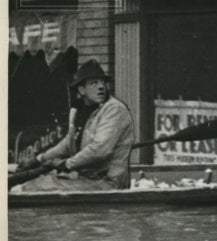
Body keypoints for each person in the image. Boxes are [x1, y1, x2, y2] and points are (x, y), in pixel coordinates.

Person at [17, 60, 135, 192]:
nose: (101, 87)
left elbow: (99, 150)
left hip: (107, 184)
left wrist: (66, 164)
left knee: (33, 187)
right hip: (84, 179)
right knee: (32, 183)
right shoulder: (78, 111)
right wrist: (39, 159)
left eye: (102, 82)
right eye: (94, 83)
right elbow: (69, 143)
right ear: (81, 89)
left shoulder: (114, 110)